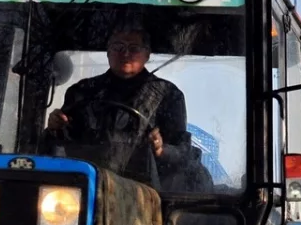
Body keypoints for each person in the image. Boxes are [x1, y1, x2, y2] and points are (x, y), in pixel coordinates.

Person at [43, 19, 208, 190]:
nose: (126, 54)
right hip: (86, 189)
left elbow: (183, 152)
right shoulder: (82, 91)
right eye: (118, 47)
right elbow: (63, 144)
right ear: (108, 52)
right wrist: (55, 127)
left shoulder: (168, 96)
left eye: (134, 48)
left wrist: (161, 149)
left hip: (145, 194)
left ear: (147, 54)